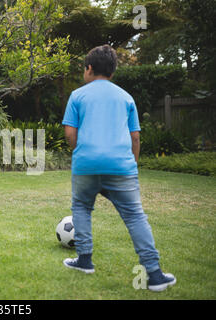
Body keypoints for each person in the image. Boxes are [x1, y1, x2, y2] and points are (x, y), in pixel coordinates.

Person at [61, 45, 176, 292]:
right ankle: (154, 276)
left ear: (89, 68)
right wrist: (132, 166)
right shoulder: (126, 97)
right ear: (112, 72)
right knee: (135, 216)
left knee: (81, 207)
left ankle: (84, 261)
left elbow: (70, 133)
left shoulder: (77, 96)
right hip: (121, 167)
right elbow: (135, 137)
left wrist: (80, 152)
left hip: (86, 165)